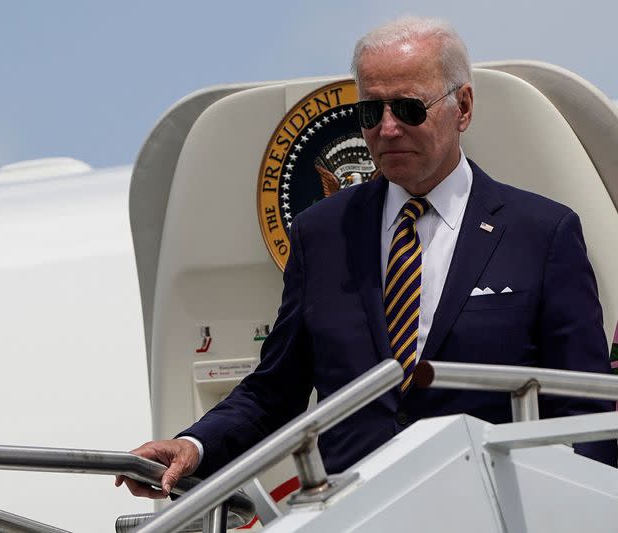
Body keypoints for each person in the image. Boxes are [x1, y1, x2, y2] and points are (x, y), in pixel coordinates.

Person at [116, 16, 617, 499]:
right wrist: (192, 446)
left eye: (409, 109)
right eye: (371, 112)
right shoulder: (322, 233)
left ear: (462, 107)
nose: (388, 128)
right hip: (360, 511)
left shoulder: (541, 233)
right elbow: (275, 390)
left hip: (492, 509)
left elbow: (587, 407)